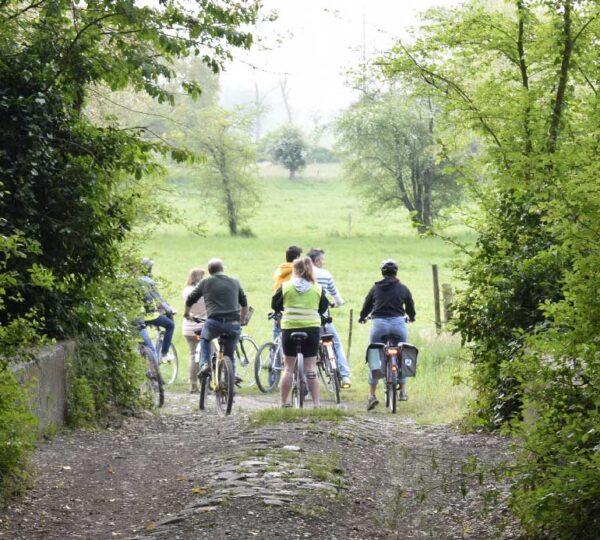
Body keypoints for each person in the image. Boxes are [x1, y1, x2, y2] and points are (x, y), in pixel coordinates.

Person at [359, 258, 416, 410]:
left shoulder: (376, 288)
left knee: (375, 356)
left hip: (379, 325)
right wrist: (411, 317)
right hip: (398, 325)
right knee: (403, 353)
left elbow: (367, 304)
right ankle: (402, 391)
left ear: (382, 273)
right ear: (396, 272)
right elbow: (410, 305)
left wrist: (362, 317)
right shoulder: (403, 288)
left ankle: (371, 395)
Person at [272, 256, 329, 408]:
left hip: (289, 328)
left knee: (288, 367)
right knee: (311, 367)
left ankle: (284, 402)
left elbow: (274, 305)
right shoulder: (318, 288)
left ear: (294, 270)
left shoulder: (285, 287)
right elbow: (323, 307)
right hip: (311, 330)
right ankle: (316, 403)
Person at [184, 258, 248, 383]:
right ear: (222, 269)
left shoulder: (205, 282)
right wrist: (241, 320)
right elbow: (244, 304)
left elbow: (190, 299)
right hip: (233, 323)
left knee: (205, 338)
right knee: (229, 355)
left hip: (214, 322)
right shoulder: (235, 281)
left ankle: (204, 365)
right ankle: (231, 376)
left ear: (209, 271)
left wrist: (187, 313)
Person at [307, 248, 352, 388]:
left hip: (307, 319)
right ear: (317, 261)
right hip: (323, 318)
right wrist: (338, 303)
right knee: (336, 344)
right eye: (322, 260)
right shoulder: (325, 274)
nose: (324, 262)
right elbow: (336, 296)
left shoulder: (303, 275)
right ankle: (345, 375)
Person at [140, 258, 176, 363]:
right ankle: (164, 354)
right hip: (149, 315)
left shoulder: (135, 280)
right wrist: (169, 309)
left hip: (138, 315)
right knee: (170, 325)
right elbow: (159, 300)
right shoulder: (148, 281)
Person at [182, 268, 207, 394]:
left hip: (188, 327)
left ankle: (192, 385)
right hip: (203, 327)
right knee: (206, 356)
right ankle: (205, 383)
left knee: (193, 356)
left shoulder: (186, 291)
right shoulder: (204, 292)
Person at [271, 245, 303, 339]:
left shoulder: (279, 270)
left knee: (277, 336)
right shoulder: (297, 272)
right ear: (297, 258)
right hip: (291, 308)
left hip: (277, 305)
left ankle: (274, 352)